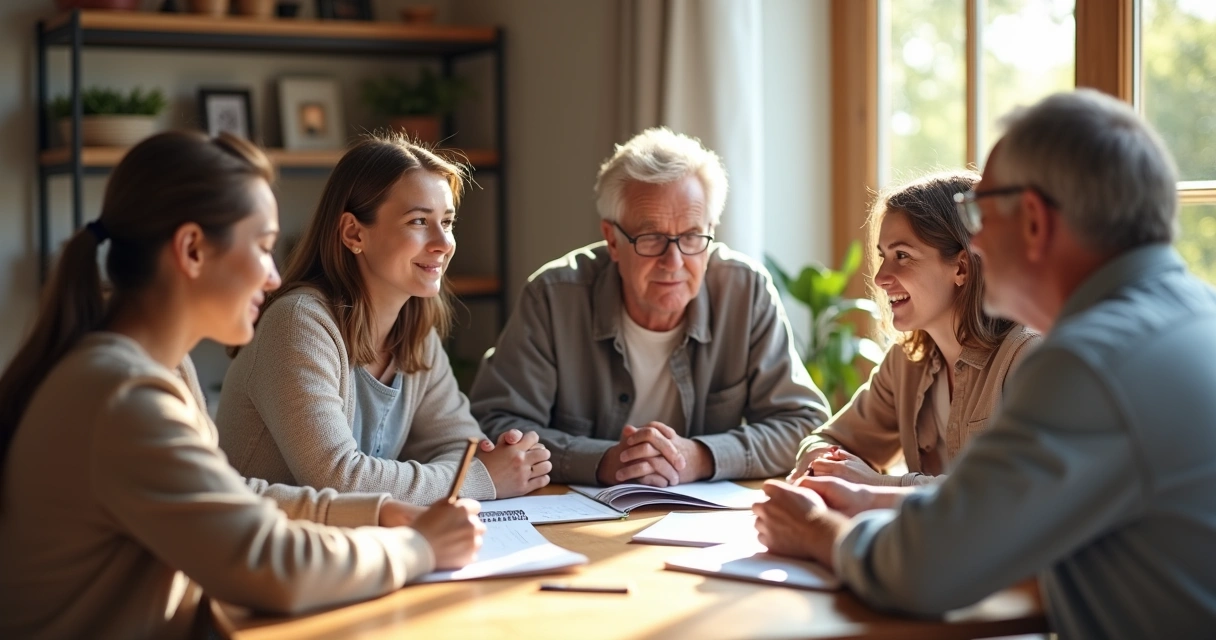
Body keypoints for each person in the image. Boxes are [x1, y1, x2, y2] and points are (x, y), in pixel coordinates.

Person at [755, 89, 1216, 639]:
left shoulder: (1086, 364)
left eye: (980, 214)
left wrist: (816, 532)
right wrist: (869, 494)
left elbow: (928, 570)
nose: (974, 243)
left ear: (1034, 221)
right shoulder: (1193, 316)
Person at [0, 132, 484, 639]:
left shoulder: (161, 369)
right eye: (262, 247)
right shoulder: (123, 396)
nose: (274, 277)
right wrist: (418, 548)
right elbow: (270, 566)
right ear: (192, 250)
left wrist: (378, 511)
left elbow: (232, 496)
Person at [468, 127, 830, 487]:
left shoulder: (745, 291)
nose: (673, 261)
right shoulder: (553, 298)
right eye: (651, 237)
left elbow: (803, 424)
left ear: (711, 231)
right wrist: (602, 461)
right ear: (612, 240)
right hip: (573, 520)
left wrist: (700, 456)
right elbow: (496, 423)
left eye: (691, 236)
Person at [217, 134, 550, 504]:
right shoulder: (298, 323)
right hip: (265, 550)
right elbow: (339, 478)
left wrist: (484, 468)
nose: (444, 242)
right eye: (419, 221)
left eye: (448, 221)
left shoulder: (414, 330)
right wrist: (481, 479)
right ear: (353, 233)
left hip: (354, 544)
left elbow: (460, 447)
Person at [790, 171, 1038, 486]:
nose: (880, 278)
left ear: (961, 267)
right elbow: (827, 439)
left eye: (902, 256)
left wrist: (877, 486)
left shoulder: (1026, 357)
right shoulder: (905, 362)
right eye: (883, 256)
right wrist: (824, 462)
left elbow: (1009, 491)